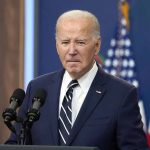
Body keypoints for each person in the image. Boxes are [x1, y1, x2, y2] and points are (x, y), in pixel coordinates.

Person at [5, 10, 149, 150]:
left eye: (80, 42)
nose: (72, 51)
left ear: (97, 45)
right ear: (57, 46)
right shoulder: (37, 89)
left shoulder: (121, 94)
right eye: (65, 42)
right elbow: (16, 143)